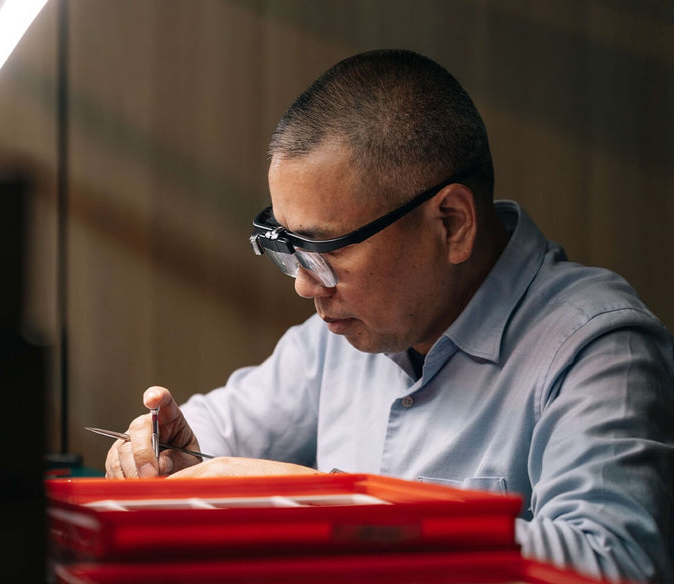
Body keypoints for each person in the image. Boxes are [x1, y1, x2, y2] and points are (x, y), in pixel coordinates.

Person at [104, 49, 674, 583]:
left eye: (327, 249)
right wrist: (165, 449)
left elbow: (613, 563)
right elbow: (221, 427)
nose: (305, 284)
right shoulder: (344, 335)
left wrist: (328, 506)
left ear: (451, 223)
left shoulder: (598, 351)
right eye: (287, 246)